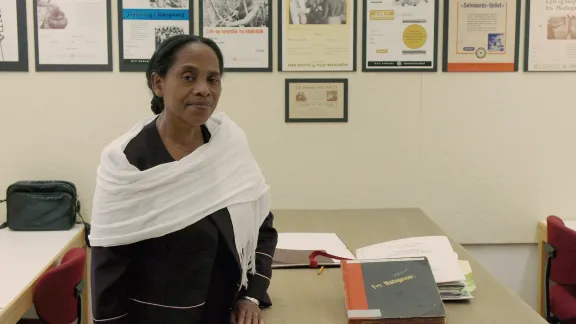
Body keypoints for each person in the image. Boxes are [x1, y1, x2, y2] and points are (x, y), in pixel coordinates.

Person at [89, 34, 278, 324]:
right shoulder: (126, 162)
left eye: (213, 80)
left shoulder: (229, 146)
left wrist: (251, 295)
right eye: (189, 77)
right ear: (158, 83)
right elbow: (108, 265)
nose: (203, 90)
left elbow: (261, 228)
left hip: (224, 313)